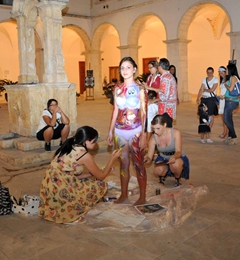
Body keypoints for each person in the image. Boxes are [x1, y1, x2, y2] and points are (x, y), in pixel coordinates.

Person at [38, 126, 121, 224]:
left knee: (87, 181)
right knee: (100, 186)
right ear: (86, 141)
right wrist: (112, 159)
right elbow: (101, 176)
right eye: (93, 142)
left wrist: (92, 173)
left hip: (50, 184)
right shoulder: (84, 155)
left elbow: (71, 175)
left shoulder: (69, 144)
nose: (95, 144)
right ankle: (69, 215)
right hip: (61, 187)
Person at [107, 56, 147, 205]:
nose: (125, 70)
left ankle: (142, 197)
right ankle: (124, 195)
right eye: (122, 68)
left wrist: (144, 134)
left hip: (135, 130)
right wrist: (110, 131)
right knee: (123, 164)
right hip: (120, 132)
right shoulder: (117, 89)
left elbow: (144, 112)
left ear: (134, 69)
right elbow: (115, 110)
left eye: (128, 67)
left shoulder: (140, 89)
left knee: (138, 163)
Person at [144, 115, 189, 186]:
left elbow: (179, 152)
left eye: (158, 128)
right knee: (158, 170)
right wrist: (145, 159)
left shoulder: (175, 132)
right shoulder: (153, 138)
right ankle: (162, 176)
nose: (155, 131)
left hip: (177, 157)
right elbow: (149, 157)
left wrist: (174, 157)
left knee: (175, 165)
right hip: (163, 157)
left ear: (165, 125)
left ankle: (177, 178)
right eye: (153, 129)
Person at [223, 63, 240, 145]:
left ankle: (234, 136)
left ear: (230, 70)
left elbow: (230, 89)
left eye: (226, 69)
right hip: (229, 101)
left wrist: (226, 84)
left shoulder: (233, 78)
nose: (225, 71)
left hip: (232, 102)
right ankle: (230, 136)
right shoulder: (231, 78)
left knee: (226, 119)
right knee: (229, 119)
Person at [218, 66, 228, 139]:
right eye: (220, 73)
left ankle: (226, 133)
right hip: (221, 100)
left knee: (225, 117)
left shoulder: (228, 80)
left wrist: (224, 97)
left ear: (225, 72)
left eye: (222, 73)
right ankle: (224, 131)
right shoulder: (222, 80)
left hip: (226, 99)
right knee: (222, 117)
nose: (221, 74)